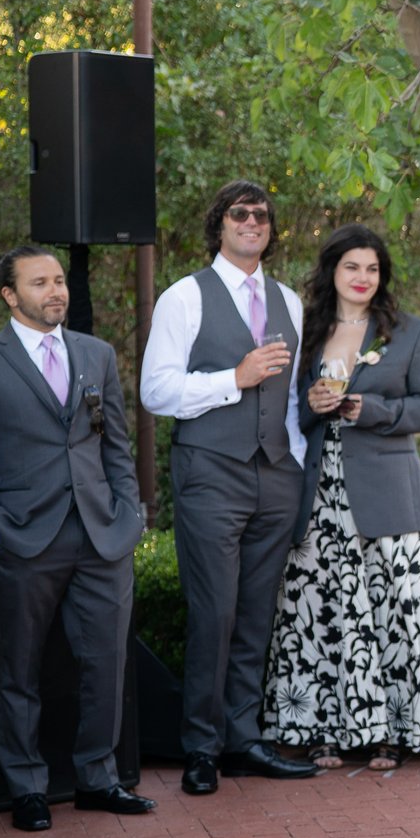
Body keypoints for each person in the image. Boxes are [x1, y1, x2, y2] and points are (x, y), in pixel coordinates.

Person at [0, 246, 153, 830]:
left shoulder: (97, 354)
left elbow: (114, 442)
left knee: (107, 664)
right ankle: (27, 786)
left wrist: (127, 517)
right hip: (23, 540)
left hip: (101, 536)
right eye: (40, 283)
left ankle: (98, 777)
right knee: (22, 669)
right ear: (10, 295)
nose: (55, 291)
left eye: (59, 280)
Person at [263, 223, 420, 770]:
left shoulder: (409, 332)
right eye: (352, 266)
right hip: (319, 493)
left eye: (372, 268)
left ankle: (395, 735)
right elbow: (291, 415)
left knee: (398, 611)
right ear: (331, 270)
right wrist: (311, 403)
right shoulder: (306, 331)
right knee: (324, 609)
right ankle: (325, 731)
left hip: (390, 496)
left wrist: (369, 411)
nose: (362, 277)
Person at [140, 180, 322, 795]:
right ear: (218, 225)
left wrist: (295, 465)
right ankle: (201, 748)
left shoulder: (289, 301)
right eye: (239, 214)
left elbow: (292, 401)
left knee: (254, 615)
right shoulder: (184, 297)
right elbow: (156, 391)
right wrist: (233, 378)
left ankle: (243, 740)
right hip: (211, 475)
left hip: (277, 475)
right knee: (213, 613)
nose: (252, 222)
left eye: (262, 215)